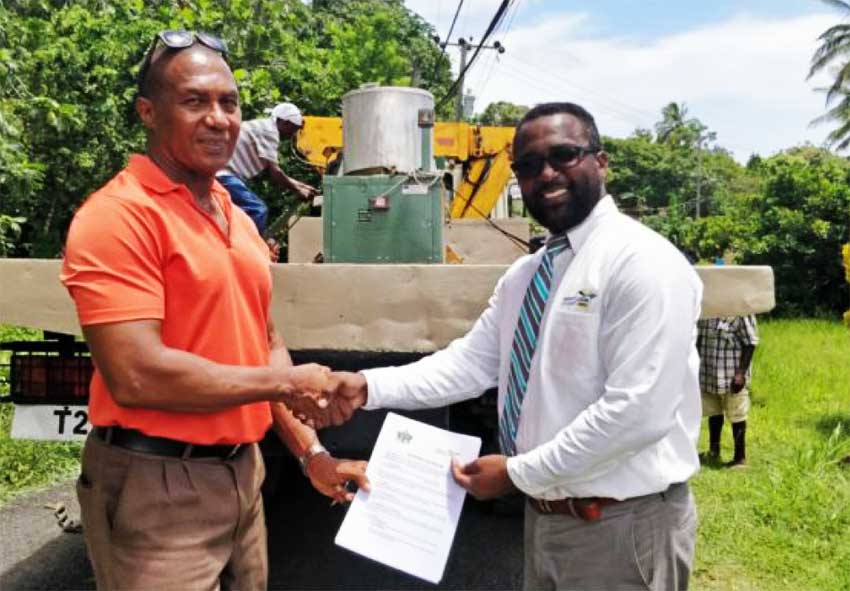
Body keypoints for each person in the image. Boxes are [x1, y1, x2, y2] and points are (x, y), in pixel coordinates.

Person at [321, 102, 703, 590]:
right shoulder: (528, 273)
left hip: (620, 526)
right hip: (546, 519)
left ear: (601, 162)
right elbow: (469, 364)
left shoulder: (640, 261)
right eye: (528, 165)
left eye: (563, 155)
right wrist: (367, 386)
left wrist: (518, 473)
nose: (546, 174)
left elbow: (638, 412)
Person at [59, 30, 367, 591]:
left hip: (244, 475)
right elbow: (136, 374)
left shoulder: (236, 217)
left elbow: (264, 344)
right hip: (157, 488)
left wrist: (311, 453)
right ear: (148, 112)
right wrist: (287, 383)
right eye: (195, 101)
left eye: (229, 103)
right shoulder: (119, 216)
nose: (218, 119)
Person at [217, 101, 318, 234]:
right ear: (285, 122)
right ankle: (248, 245)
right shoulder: (270, 131)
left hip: (223, 172)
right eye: (293, 129)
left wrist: (302, 186)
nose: (292, 135)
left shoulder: (263, 126)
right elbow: (275, 173)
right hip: (223, 174)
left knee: (237, 213)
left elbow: (273, 170)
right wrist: (298, 190)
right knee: (257, 210)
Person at [697, 315, 759, 468]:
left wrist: (741, 373)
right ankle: (714, 451)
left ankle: (740, 458)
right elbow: (698, 340)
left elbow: (750, 343)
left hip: (732, 376)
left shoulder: (741, 312)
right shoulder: (707, 312)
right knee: (713, 413)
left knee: (737, 415)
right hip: (708, 374)